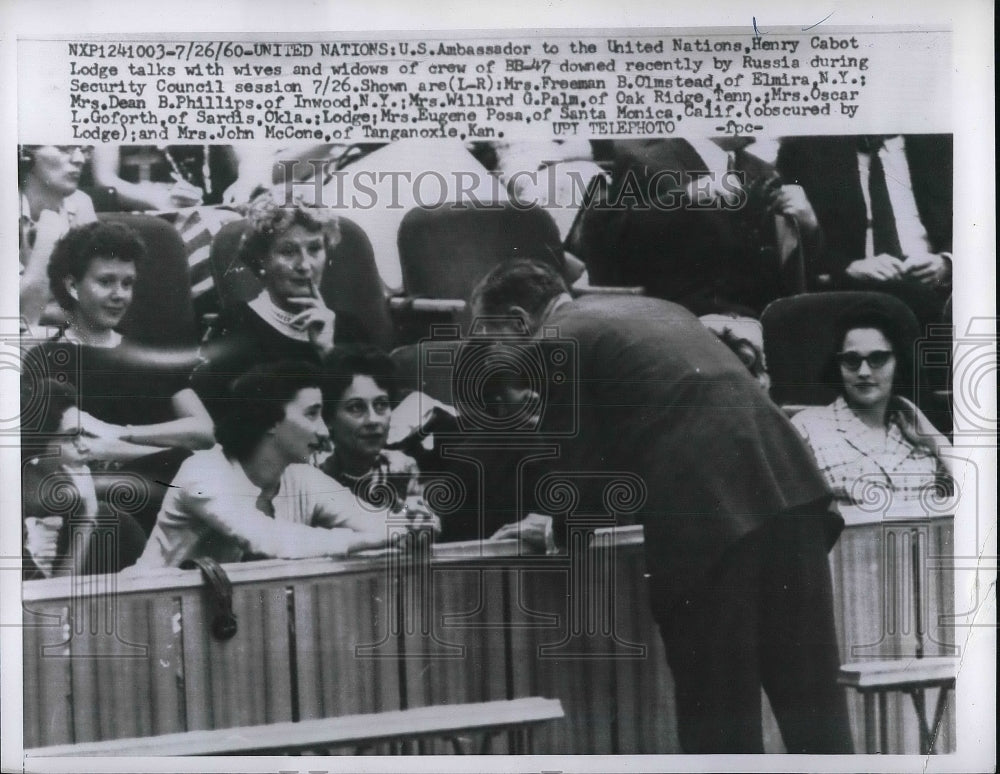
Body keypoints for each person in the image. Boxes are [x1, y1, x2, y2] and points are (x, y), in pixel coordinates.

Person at [468, 259, 853, 754]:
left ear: (519, 317)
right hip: (795, 494)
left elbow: (575, 477)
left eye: (489, 340)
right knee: (815, 712)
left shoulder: (555, 341)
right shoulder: (657, 309)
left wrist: (547, 524)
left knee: (720, 723)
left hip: (711, 522)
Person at [133, 361, 436, 569]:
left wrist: (415, 524)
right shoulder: (202, 472)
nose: (324, 430)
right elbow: (265, 538)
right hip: (150, 620)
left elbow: (370, 518)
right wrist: (377, 538)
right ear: (270, 421)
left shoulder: (301, 476)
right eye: (311, 414)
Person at [24, 221, 215, 532]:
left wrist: (122, 433)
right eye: (106, 282)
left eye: (127, 283)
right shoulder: (46, 359)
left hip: (164, 494)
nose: (120, 295)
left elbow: (203, 429)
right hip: (97, 508)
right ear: (73, 286)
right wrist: (168, 449)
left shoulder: (145, 355)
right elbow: (70, 453)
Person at [191, 191, 367, 419]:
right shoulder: (236, 327)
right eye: (288, 251)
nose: (305, 265)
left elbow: (370, 413)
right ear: (260, 259)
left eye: (314, 249)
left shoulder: (349, 328)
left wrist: (328, 352)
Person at [790, 303, 956, 511]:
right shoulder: (808, 427)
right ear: (838, 365)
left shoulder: (919, 436)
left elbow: (977, 502)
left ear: (898, 363)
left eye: (878, 358)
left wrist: (935, 439)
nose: (864, 372)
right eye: (852, 360)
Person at [776, 134, 952, 325]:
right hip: (855, 290)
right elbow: (797, 248)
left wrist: (947, 262)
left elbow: (976, 221)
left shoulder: (939, 143)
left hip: (938, 285)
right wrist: (847, 268)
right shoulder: (804, 150)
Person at [21, 379, 147, 578]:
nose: (84, 446)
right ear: (35, 448)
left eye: (83, 434)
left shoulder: (110, 520)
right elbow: (52, 605)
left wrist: (89, 514)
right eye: (71, 437)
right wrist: (86, 518)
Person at [318, 346, 429, 515]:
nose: (373, 420)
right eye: (356, 407)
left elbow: (408, 511)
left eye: (381, 405)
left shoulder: (400, 468)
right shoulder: (315, 475)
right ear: (329, 418)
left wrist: (413, 514)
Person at [18, 144, 98, 329]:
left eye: (84, 149)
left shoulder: (81, 203)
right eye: (64, 148)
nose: (80, 159)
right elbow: (22, 315)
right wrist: (49, 232)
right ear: (25, 154)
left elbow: (95, 304)